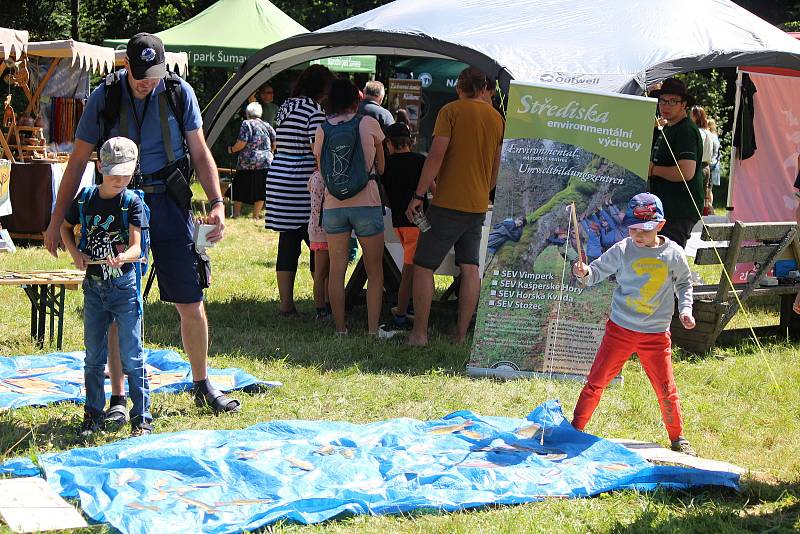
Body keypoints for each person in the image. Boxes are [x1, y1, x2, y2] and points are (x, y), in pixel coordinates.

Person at [43, 33, 239, 418]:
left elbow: (199, 151)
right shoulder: (105, 96)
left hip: (169, 202)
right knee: (119, 302)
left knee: (191, 297)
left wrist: (216, 202)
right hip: (120, 204)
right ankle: (118, 398)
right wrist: (55, 220)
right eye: (140, 76)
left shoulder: (179, 92)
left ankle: (202, 382)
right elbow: (79, 161)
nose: (147, 82)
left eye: (154, 74)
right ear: (126, 66)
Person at [571, 193, 696, 456]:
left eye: (645, 229)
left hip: (656, 335)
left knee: (665, 389)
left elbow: (684, 283)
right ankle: (575, 430)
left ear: (660, 225)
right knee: (596, 382)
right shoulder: (623, 249)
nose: (638, 234)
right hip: (620, 330)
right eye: (633, 228)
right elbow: (595, 273)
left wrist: (685, 309)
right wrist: (584, 273)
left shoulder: (672, 253)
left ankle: (678, 438)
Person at [59, 137, 152, 437]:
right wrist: (75, 253)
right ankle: (93, 414)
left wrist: (124, 256)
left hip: (124, 288)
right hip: (94, 289)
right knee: (93, 357)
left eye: (126, 174)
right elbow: (64, 227)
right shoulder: (86, 199)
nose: (119, 180)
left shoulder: (132, 202)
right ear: (100, 167)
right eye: (113, 174)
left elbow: (137, 247)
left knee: (132, 355)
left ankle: (142, 417)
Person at [406, 67, 505, 346]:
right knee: (470, 267)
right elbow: (497, 167)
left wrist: (418, 194)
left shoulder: (450, 111)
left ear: (460, 88)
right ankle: (461, 335)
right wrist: (482, 192)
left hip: (447, 203)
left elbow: (435, 157)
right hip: (477, 206)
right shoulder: (497, 119)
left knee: (424, 266)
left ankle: (419, 334)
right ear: (484, 88)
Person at [314, 79, 386, 336]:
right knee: (375, 269)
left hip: (334, 205)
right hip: (366, 201)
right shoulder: (369, 123)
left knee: (337, 268)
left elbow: (322, 169)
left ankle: (340, 327)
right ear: (357, 100)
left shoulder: (322, 129)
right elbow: (382, 167)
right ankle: (372, 330)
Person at [266, 64, 334, 316]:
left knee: (288, 240)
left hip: (279, 175)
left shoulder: (286, 106)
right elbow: (316, 148)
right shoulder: (314, 110)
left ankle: (286, 304)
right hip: (302, 179)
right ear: (322, 89)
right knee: (318, 241)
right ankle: (323, 300)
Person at [649, 77, 705, 248]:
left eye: (673, 101)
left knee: (669, 263)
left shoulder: (685, 130)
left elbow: (686, 172)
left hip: (679, 210)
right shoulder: (668, 127)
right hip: (667, 209)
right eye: (663, 101)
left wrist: (653, 170)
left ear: (684, 104)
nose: (666, 105)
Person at [382, 122, 427, 328]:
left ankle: (402, 310)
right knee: (412, 271)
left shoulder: (387, 165)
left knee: (410, 268)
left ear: (389, 143)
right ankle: (401, 313)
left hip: (398, 223)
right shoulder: (420, 161)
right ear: (410, 141)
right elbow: (433, 187)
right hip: (418, 222)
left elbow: (385, 196)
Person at [227, 102, 276, 219]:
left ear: (248, 113)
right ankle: (255, 215)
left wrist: (232, 149)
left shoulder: (246, 124)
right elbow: (275, 142)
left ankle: (236, 213)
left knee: (240, 186)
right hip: (265, 162)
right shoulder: (267, 125)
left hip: (247, 162)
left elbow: (242, 143)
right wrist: (270, 152)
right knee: (261, 188)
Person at [307, 169, 330, 321]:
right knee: (321, 273)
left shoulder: (314, 176)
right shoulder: (326, 177)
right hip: (322, 230)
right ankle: (321, 310)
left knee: (324, 273)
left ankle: (325, 307)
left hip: (317, 228)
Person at [691, 105, 714, 215]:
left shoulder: (699, 132)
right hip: (706, 166)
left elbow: (695, 149)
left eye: (691, 114)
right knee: (704, 193)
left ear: (695, 116)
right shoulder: (708, 132)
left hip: (698, 166)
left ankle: (697, 216)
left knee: (697, 194)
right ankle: (703, 214)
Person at [707, 118, 722, 189]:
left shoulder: (710, 136)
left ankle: (708, 200)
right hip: (715, 162)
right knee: (710, 188)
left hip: (710, 162)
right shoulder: (715, 136)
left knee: (707, 188)